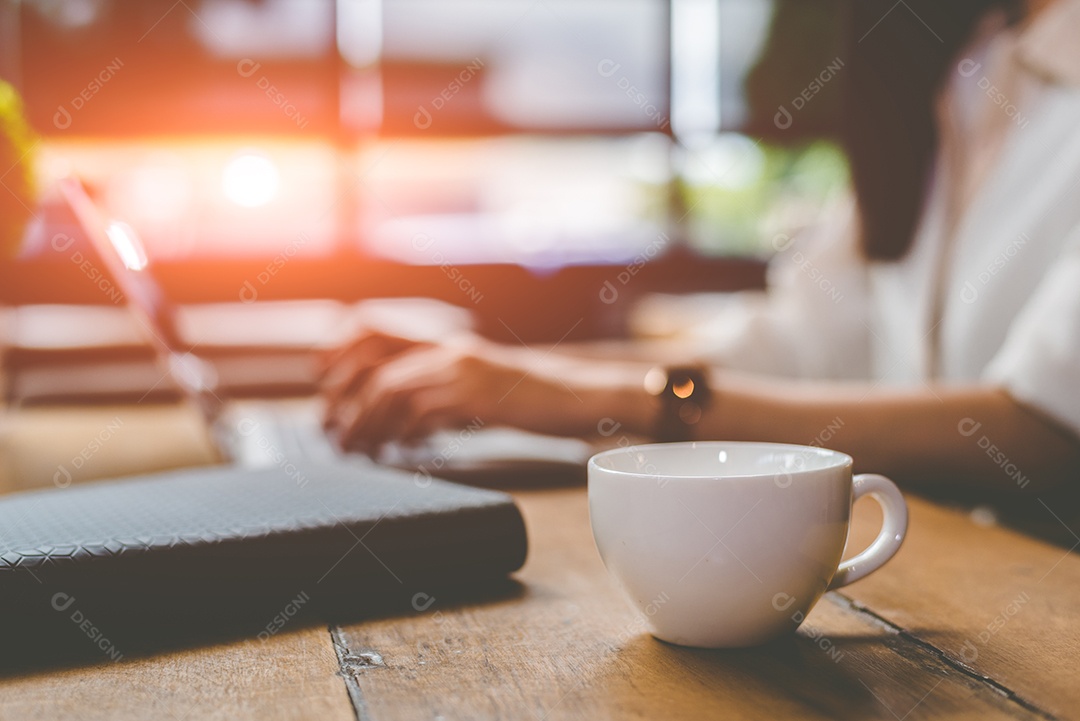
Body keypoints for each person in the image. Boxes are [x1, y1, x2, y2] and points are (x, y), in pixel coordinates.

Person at [323, 0, 1080, 492]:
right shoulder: (959, 72)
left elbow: (1043, 430)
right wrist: (494, 366)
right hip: (935, 583)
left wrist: (568, 392)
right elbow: (781, 352)